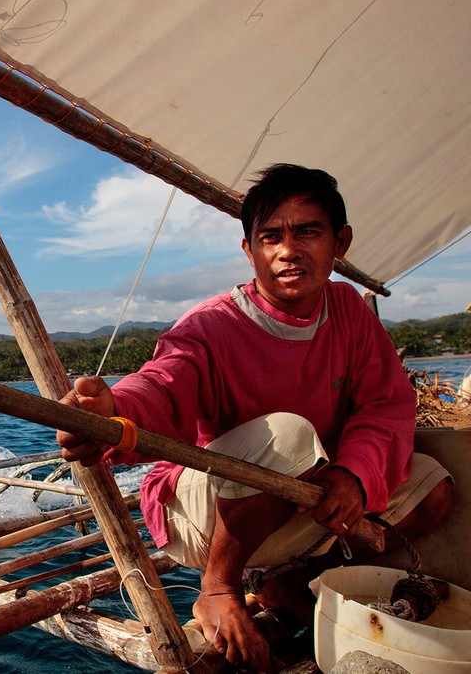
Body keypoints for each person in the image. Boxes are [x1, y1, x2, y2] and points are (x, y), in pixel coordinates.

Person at [56, 164, 455, 673]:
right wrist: (113, 413)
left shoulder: (350, 312)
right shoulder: (212, 323)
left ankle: (289, 581)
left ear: (341, 242)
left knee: (432, 486)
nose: (288, 250)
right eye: (271, 237)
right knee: (287, 434)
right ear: (250, 250)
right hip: (206, 518)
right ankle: (220, 588)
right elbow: (162, 381)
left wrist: (353, 475)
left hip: (303, 498)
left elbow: (384, 405)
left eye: (308, 232)